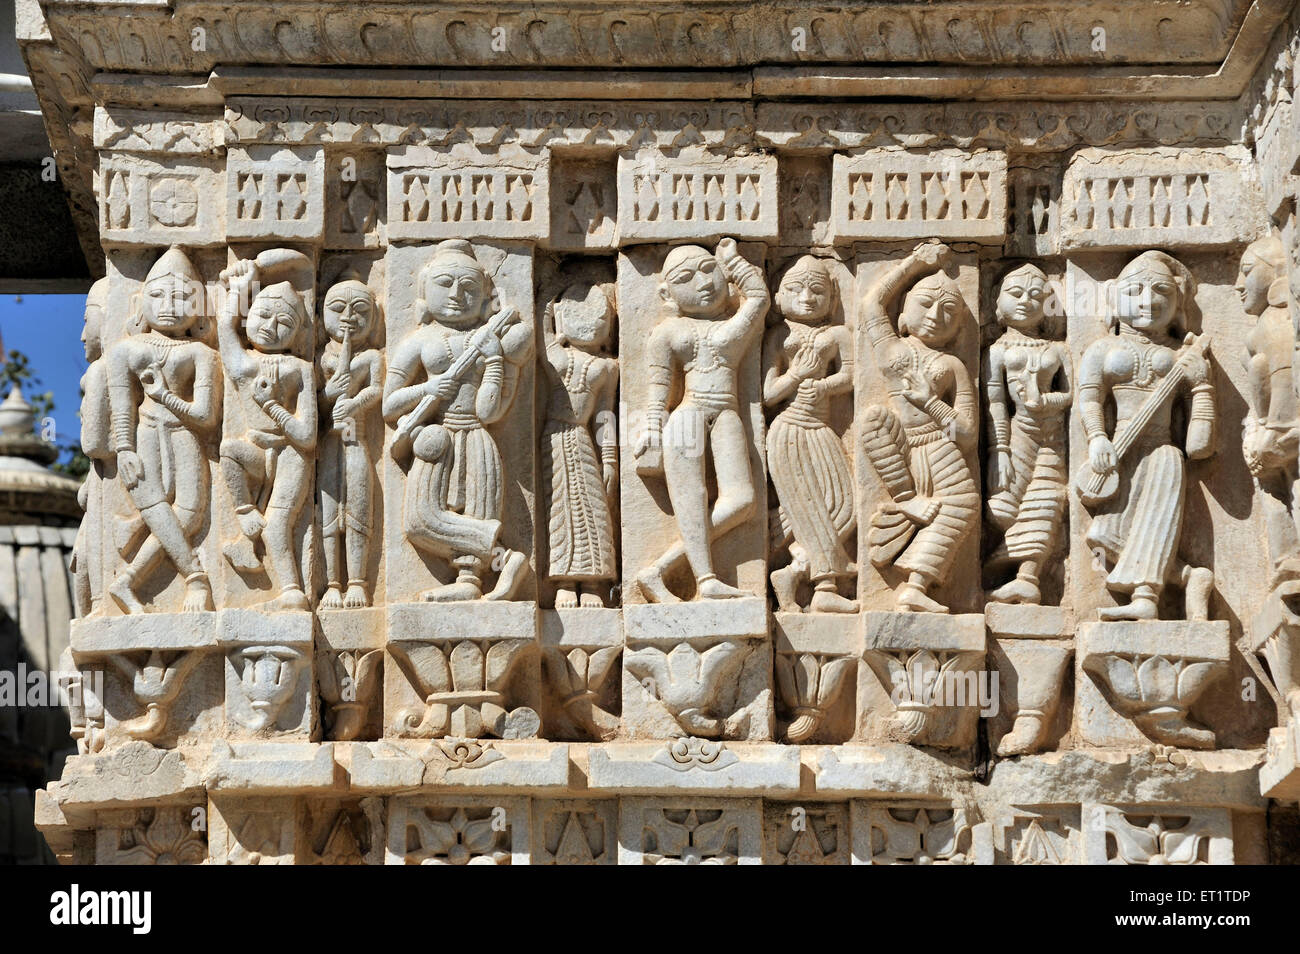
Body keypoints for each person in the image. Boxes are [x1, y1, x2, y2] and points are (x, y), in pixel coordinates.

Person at [382, 240, 533, 602]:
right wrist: (429, 387)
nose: (456, 295)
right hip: (437, 440)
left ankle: (471, 581)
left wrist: (496, 362)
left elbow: (489, 413)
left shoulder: (489, 341)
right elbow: (390, 405)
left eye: (468, 287)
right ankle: (506, 557)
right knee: (420, 521)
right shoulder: (420, 341)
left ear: (484, 295)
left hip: (477, 437)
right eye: (445, 283)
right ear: (424, 289)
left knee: (477, 507)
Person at [1077, 250, 1216, 621]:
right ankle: (1189, 577)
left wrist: (1202, 386)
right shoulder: (1103, 349)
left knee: (1153, 522)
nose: (1147, 300)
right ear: (1113, 295)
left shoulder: (1178, 356)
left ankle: (1146, 598)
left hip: (1161, 454)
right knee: (1103, 537)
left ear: (1178, 302)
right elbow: (1090, 397)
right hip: (1117, 454)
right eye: (1135, 289)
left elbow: (1200, 446)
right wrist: (1097, 439)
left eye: (1160, 291)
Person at [632, 238, 768, 603]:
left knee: (742, 500)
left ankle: (660, 569)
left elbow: (758, 298)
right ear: (668, 294)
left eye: (709, 271)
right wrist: (651, 427)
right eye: (686, 278)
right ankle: (705, 580)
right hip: (687, 416)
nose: (703, 282)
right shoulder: (669, 332)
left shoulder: (728, 329)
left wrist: (733, 261)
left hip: (725, 413)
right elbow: (659, 389)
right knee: (692, 496)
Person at [859, 241, 978, 613]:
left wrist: (930, 401)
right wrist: (912, 263)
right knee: (873, 421)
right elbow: (872, 304)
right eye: (925, 303)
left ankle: (916, 585)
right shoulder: (894, 353)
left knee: (964, 503)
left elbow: (968, 434)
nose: (935, 316)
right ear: (903, 317)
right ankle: (907, 501)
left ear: (958, 327)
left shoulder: (952, 366)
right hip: (902, 444)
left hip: (940, 443)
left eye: (949, 311)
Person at [106, 246, 218, 613]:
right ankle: (196, 578)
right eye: (157, 295)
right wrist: (123, 448)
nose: (169, 304)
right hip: (145, 434)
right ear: (140, 302)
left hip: (184, 431)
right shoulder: (126, 351)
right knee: (155, 504)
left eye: (183, 296)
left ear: (200, 307)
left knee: (189, 511)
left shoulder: (202, 354)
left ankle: (127, 580)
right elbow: (123, 405)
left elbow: (205, 418)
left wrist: (165, 396)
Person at [218, 256, 317, 612]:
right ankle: (245, 512)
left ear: (300, 333)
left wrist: (271, 405)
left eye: (285, 322)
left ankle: (292, 591)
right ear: (249, 318)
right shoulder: (244, 363)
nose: (271, 326)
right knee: (230, 450)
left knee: (278, 525)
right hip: (257, 452)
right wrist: (242, 289)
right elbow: (225, 330)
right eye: (262, 315)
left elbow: (306, 436)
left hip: (290, 453)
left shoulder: (301, 369)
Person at [763, 255, 857, 613]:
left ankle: (793, 569)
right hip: (787, 430)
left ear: (832, 299)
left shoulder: (837, 334)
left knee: (845, 506)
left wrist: (826, 387)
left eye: (817, 290)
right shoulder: (778, 335)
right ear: (778, 296)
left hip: (820, 429)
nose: (806, 297)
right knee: (805, 505)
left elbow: (849, 375)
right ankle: (825, 589)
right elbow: (769, 394)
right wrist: (796, 376)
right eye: (795, 289)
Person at [984, 263, 1072, 605]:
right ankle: (999, 561)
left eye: (1037, 296)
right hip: (1017, 433)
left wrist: (1044, 400)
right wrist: (999, 450)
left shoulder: (1057, 349)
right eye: (1015, 294)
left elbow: (1070, 395)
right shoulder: (997, 351)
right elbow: (994, 402)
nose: (1025, 302)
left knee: (1048, 498)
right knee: (1002, 506)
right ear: (997, 299)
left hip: (1052, 439)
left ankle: (1027, 577)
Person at [540, 282, 619, 609]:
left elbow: (604, 415)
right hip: (554, 438)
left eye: (600, 316)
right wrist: (547, 301)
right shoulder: (557, 356)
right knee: (558, 505)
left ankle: (590, 582)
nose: (590, 321)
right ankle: (563, 582)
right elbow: (541, 332)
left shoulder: (607, 367)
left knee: (592, 508)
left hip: (581, 438)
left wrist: (610, 458)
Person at [318, 273, 384, 609]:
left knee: (358, 503)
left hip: (355, 435)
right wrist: (329, 393)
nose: (348, 317)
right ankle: (331, 583)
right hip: (331, 439)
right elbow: (311, 400)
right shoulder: (322, 360)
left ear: (373, 318)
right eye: (338, 308)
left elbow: (377, 388)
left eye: (359, 310)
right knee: (329, 510)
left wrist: (356, 402)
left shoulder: (370, 357)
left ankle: (357, 581)